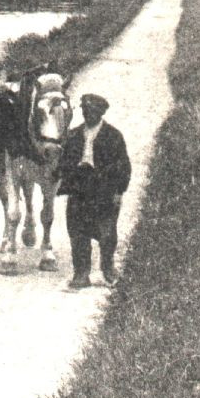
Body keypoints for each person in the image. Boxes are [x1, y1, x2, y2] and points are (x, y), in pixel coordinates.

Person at [57, 93, 131, 289]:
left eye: (92, 111)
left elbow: (123, 166)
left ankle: (107, 269)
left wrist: (119, 191)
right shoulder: (73, 135)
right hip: (79, 187)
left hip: (103, 189)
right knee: (77, 231)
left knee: (106, 232)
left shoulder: (113, 136)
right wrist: (66, 173)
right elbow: (63, 162)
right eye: (85, 111)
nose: (87, 115)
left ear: (100, 113)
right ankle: (81, 273)